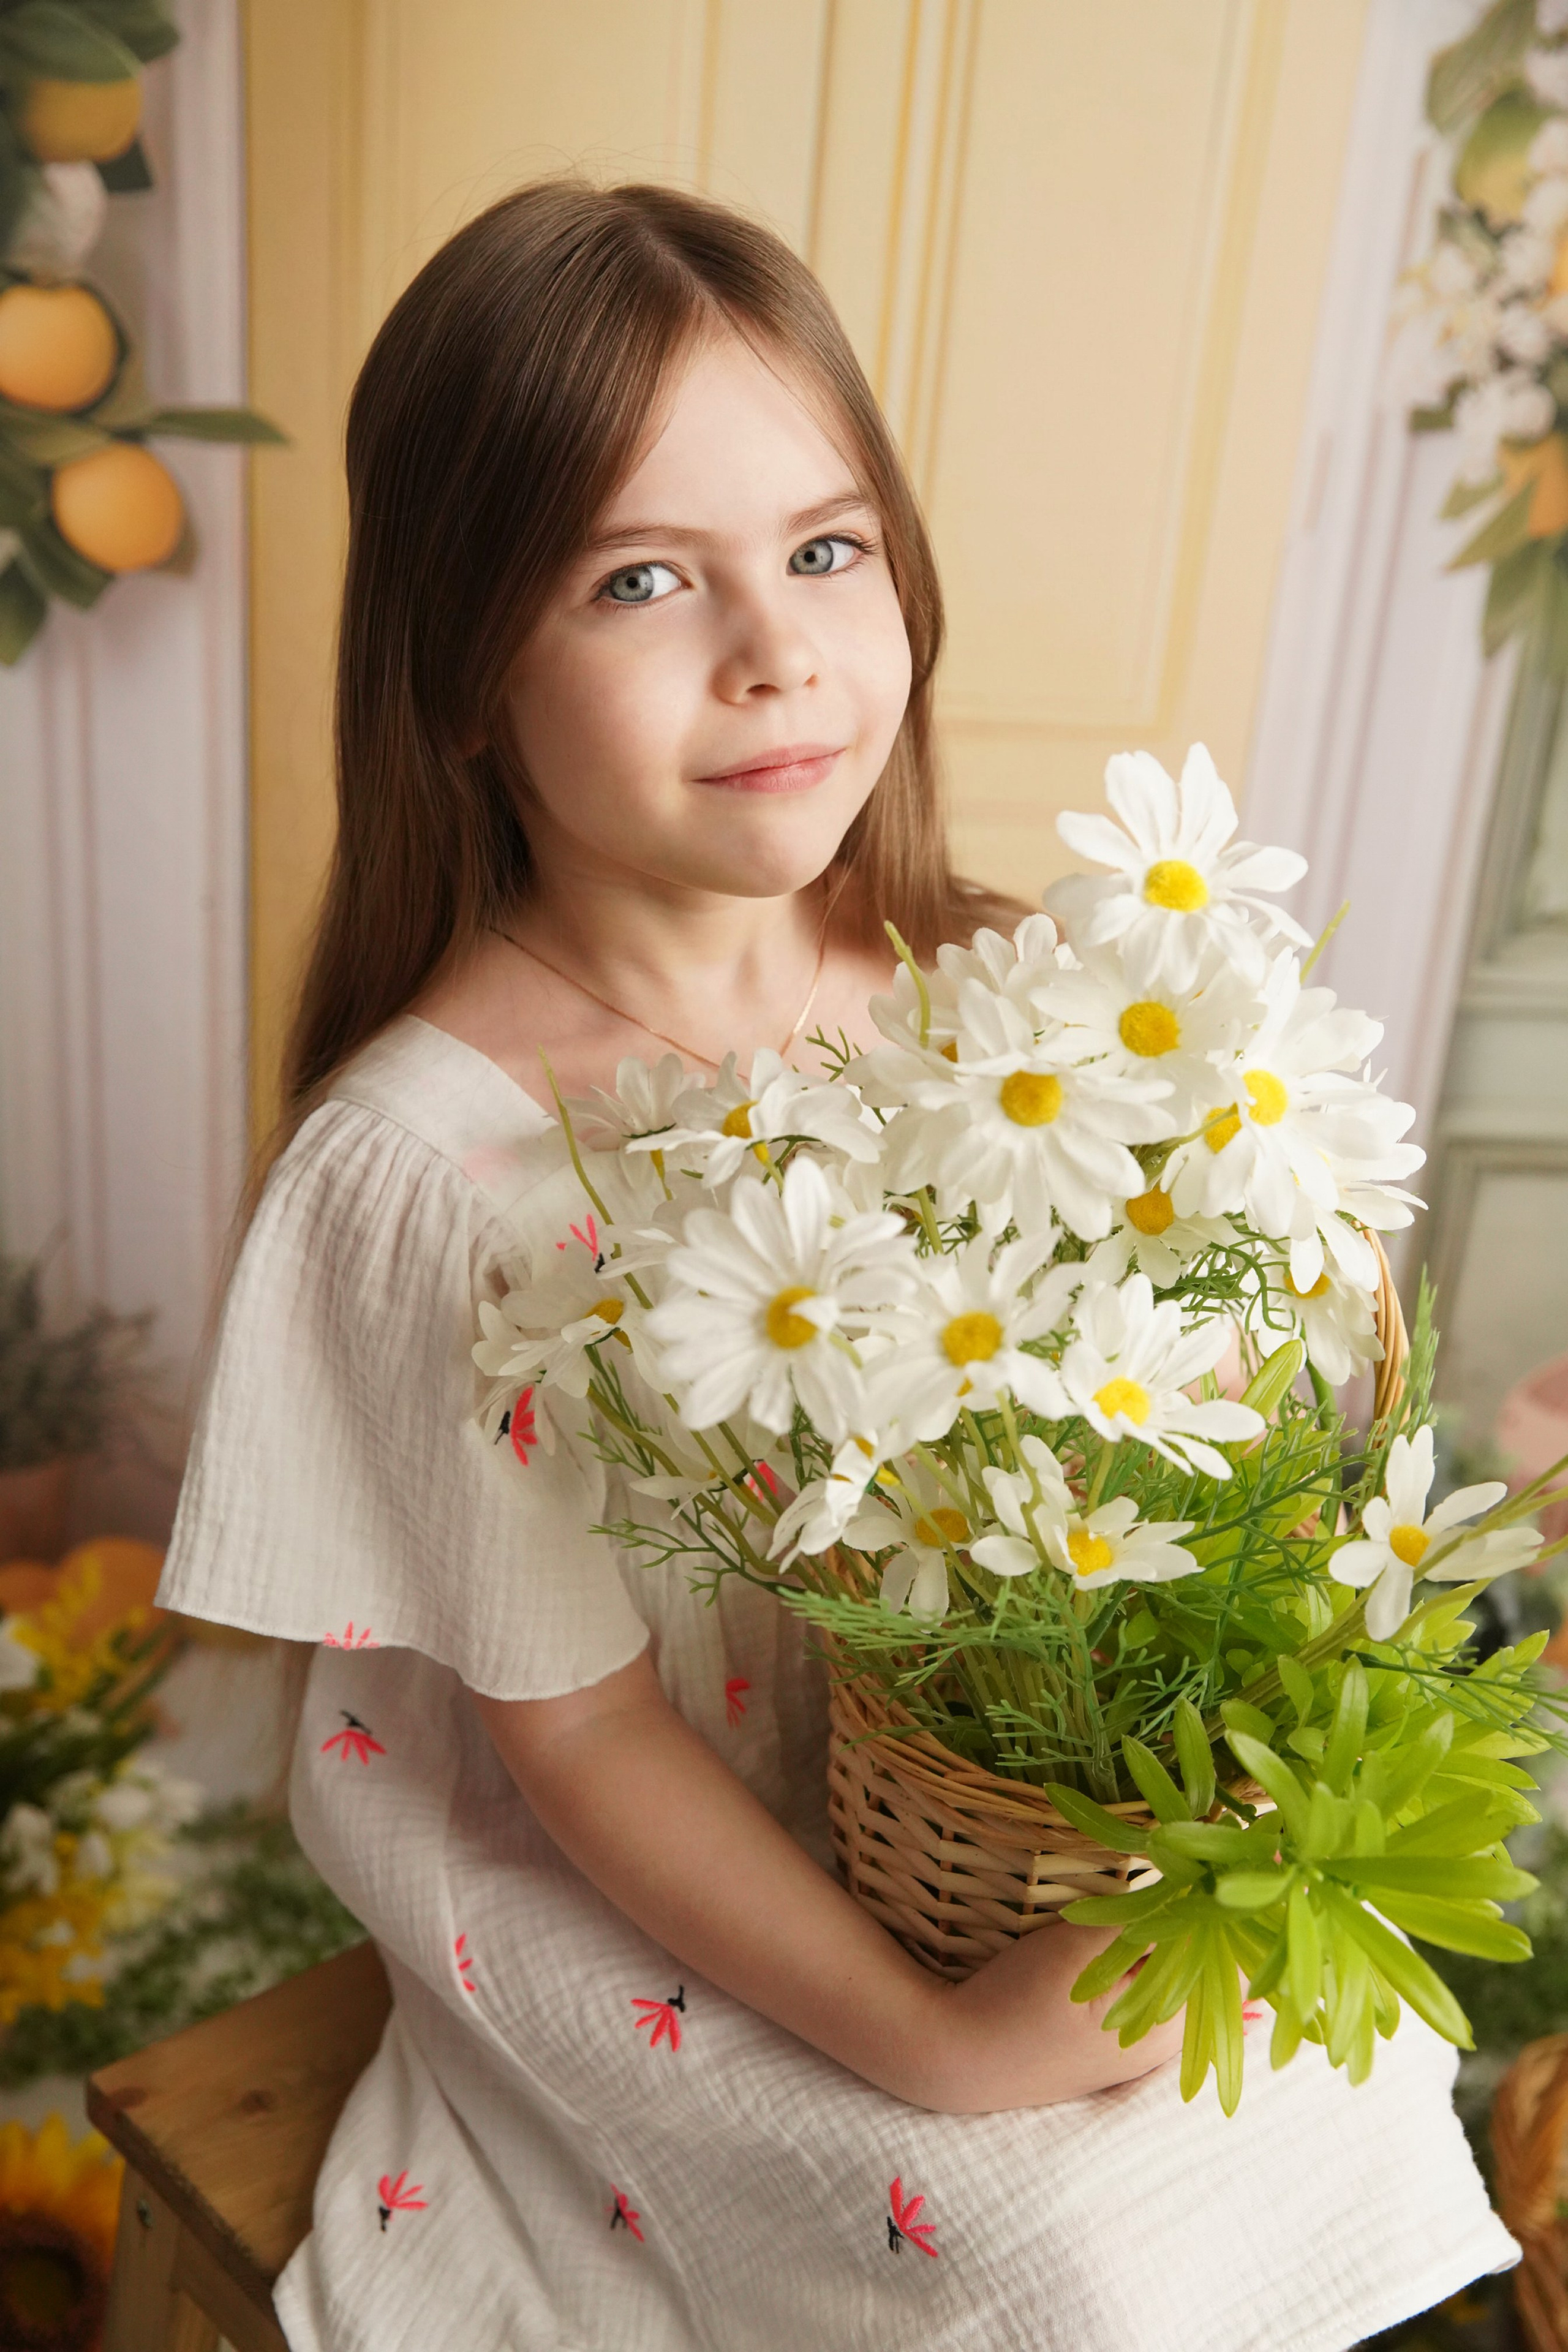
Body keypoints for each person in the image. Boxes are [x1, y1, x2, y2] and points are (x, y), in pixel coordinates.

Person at [156, 180, 1515, 2352]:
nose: (775, 649)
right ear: (465, 675)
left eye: (823, 547)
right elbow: (586, 1740)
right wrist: (937, 2038)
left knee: (1329, 2101)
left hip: (980, 1807)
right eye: (637, 580)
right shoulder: (432, 1171)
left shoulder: (1001, 1007)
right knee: (1041, 2254)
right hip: (646, 1865)